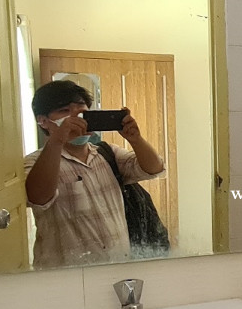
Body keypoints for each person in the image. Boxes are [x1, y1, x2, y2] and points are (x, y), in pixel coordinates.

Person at [24, 79, 164, 268]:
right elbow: (38, 197)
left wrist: (136, 139)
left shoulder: (108, 153)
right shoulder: (33, 162)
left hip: (117, 269)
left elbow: (153, 168)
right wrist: (57, 141)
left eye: (82, 111)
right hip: (63, 276)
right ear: (43, 121)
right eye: (65, 111)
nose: (76, 118)